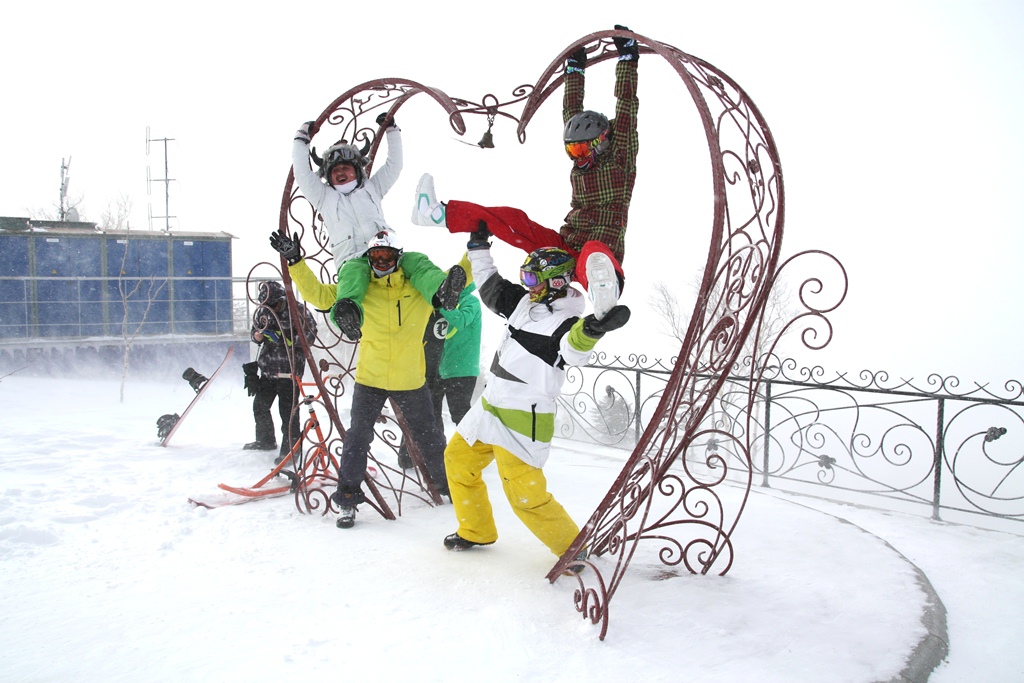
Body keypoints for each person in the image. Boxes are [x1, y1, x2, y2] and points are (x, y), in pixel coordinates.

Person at [411, 25, 640, 321]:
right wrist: (574, 68)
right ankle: (437, 214)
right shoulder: (579, 154)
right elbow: (571, 109)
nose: (577, 158)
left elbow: (627, 106)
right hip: (564, 244)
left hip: (599, 251)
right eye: (572, 151)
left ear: (602, 142)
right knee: (514, 218)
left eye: (582, 151)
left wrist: (628, 58)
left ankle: (604, 291)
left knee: (593, 254)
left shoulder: (621, 153)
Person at [441, 225, 630, 565]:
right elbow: (489, 286)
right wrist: (478, 247)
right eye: (525, 278)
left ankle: (572, 548)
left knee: (525, 494)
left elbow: (573, 351)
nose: (527, 286)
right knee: (458, 460)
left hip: (522, 417)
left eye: (533, 280)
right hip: (489, 407)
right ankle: (476, 529)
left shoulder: (566, 322)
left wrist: (592, 330)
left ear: (557, 282)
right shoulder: (526, 303)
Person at [329, 230, 467, 529]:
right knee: (357, 437)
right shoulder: (361, 281)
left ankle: (447, 485)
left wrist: (474, 250)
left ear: (397, 256)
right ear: (369, 258)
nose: (381, 261)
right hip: (371, 377)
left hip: (409, 379)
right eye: (376, 256)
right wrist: (296, 263)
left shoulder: (415, 282)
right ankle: (348, 498)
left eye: (387, 255)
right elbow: (318, 295)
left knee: (429, 437)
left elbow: (449, 281)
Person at [292, 113, 402, 269]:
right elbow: (302, 173)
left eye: (345, 168)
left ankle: (442, 287)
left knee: (417, 262)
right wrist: (301, 140)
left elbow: (394, 165)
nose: (340, 172)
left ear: (356, 170)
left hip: (386, 256)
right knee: (352, 288)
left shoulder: (373, 188)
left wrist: (392, 131)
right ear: (328, 176)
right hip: (352, 263)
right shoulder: (323, 197)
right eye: (335, 170)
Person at [243, 280, 318, 464]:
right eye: (267, 305)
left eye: (274, 304)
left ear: (282, 299)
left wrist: (287, 339)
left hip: (289, 372)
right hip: (268, 371)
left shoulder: (297, 311)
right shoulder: (263, 312)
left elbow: (311, 335)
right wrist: (257, 336)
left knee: (289, 414)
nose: (271, 309)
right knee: (260, 406)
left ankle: (292, 450)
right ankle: (266, 440)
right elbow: (254, 332)